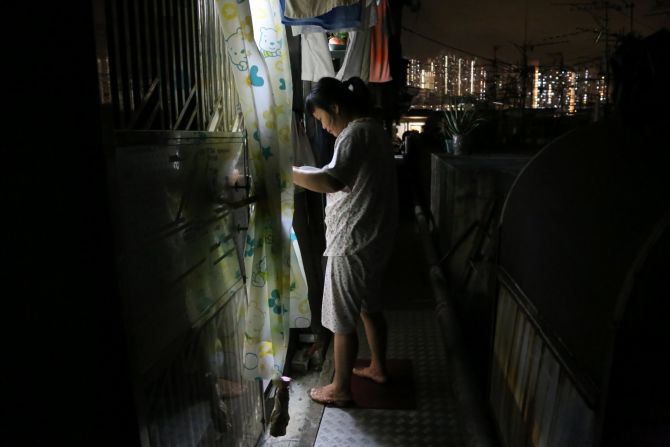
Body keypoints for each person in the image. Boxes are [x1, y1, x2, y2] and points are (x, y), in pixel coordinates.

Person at [292, 76, 399, 406]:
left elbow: (331, 179)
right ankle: (378, 367)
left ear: (335, 108)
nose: (322, 127)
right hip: (374, 238)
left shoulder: (354, 134)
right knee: (370, 308)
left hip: (351, 242)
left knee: (340, 320)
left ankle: (340, 388)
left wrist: (287, 171)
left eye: (321, 119)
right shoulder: (373, 130)